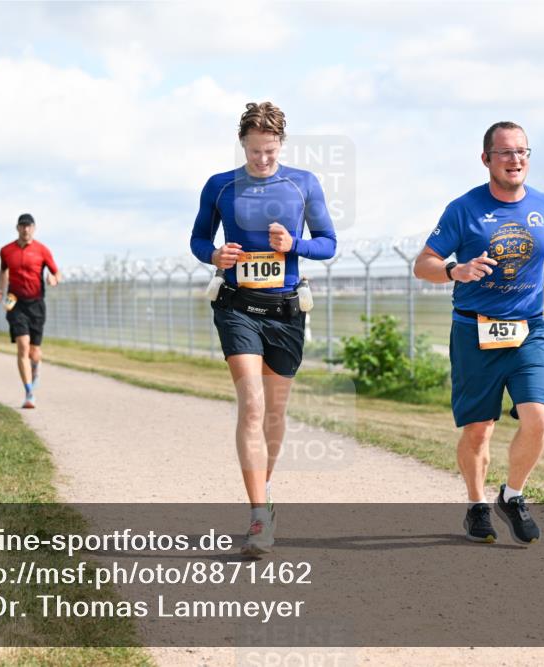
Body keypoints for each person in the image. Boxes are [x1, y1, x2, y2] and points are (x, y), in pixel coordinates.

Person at [413, 121, 544, 546]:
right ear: (487, 158)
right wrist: (456, 270)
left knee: (539, 418)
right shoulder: (464, 209)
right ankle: (477, 505)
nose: (516, 160)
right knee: (479, 430)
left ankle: (512, 495)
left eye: (523, 152)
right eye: (506, 152)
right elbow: (424, 264)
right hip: (475, 332)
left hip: (530, 330)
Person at [190, 102, 337, 556]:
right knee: (251, 405)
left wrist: (296, 246)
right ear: (243, 145)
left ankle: (264, 492)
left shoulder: (303, 184)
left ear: (281, 145)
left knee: (274, 414)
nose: (262, 160)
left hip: (287, 309)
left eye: (270, 152)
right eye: (255, 152)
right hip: (238, 306)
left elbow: (329, 243)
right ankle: (257, 515)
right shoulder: (219, 186)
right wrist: (214, 256)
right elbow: (198, 239)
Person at [0, 213, 61, 409]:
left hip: (36, 304)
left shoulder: (42, 250)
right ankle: (29, 392)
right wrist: (1, 289)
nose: (26, 229)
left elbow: (56, 272)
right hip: (15, 302)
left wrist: (53, 279)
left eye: (29, 226)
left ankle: (36, 369)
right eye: (22, 226)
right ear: (17, 228)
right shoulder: (6, 251)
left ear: (34, 228)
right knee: (22, 346)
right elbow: (3, 271)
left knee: (35, 351)